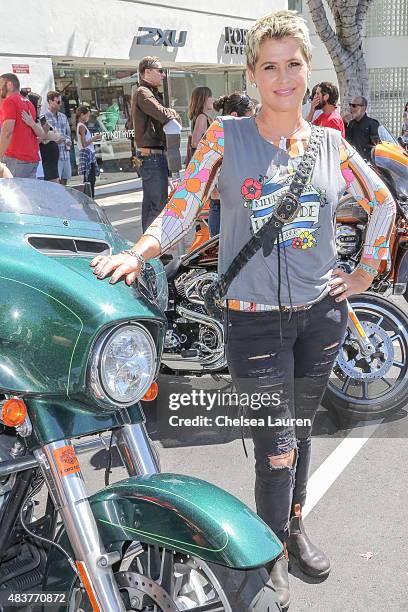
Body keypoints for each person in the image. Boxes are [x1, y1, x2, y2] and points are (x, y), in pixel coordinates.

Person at [90, 10, 395, 609]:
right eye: (270, 66)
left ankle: (294, 525)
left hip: (321, 315)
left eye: (294, 64)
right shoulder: (226, 137)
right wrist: (143, 248)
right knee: (276, 439)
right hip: (253, 321)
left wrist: (363, 274)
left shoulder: (333, 144)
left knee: (299, 431)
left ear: (309, 71)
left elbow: (382, 202)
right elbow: (183, 204)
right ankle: (269, 549)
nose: (284, 77)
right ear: (254, 75)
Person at [131, 56, 179, 231]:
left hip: (153, 156)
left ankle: (151, 253)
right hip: (150, 157)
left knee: (153, 205)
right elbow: (164, 115)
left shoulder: (148, 92)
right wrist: (172, 112)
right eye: (160, 71)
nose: (163, 75)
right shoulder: (143, 92)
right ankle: (154, 253)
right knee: (157, 206)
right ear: (147, 72)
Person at [209, 92, 257, 236]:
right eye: (250, 118)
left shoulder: (245, 141)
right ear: (235, 116)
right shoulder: (217, 142)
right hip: (224, 214)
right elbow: (214, 192)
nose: (253, 123)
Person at [0, 73, 40, 177]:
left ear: (9, 84)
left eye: (0, 84)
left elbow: (7, 131)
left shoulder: (10, 101)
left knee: (11, 191)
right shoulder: (29, 103)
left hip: (16, 158)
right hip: (32, 158)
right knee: (27, 192)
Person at [45, 90, 72, 185]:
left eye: (61, 102)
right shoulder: (45, 117)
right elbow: (44, 136)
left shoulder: (63, 117)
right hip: (54, 157)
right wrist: (55, 140)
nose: (60, 104)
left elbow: (68, 134)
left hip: (65, 154)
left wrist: (67, 141)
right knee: (56, 183)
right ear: (50, 101)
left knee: (65, 182)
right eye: (58, 102)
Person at [76, 105, 101, 198]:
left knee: (90, 179)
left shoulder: (81, 126)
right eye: (87, 115)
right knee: (90, 180)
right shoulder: (81, 126)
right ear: (82, 115)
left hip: (87, 154)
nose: (88, 118)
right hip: (87, 154)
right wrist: (94, 138)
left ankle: (90, 200)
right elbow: (84, 144)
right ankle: (90, 201)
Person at [345, 96, 380, 161]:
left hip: (366, 164)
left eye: (354, 106)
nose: (351, 108)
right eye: (350, 105)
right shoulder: (351, 124)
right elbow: (345, 142)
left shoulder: (372, 124)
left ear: (363, 107)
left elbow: (377, 147)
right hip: (352, 162)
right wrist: (344, 122)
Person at [187, 87, 213, 162]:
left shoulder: (201, 116)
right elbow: (195, 143)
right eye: (210, 97)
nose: (212, 99)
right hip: (202, 162)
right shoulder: (202, 117)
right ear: (203, 99)